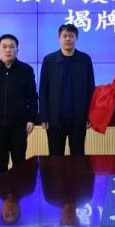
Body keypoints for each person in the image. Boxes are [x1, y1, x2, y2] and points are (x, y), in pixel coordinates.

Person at [0, 34, 38, 177]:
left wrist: (31, 119)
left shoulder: (26, 70)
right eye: (4, 47)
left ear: (17, 50)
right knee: (0, 162)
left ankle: (19, 191)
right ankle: (0, 191)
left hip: (19, 125)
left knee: (19, 162)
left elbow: (32, 96)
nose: (8, 50)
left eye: (12, 47)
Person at [39, 24, 95, 156]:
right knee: (55, 157)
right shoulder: (49, 60)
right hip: (54, 119)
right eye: (64, 36)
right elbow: (43, 89)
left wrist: (90, 115)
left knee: (78, 156)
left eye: (71, 36)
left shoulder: (85, 59)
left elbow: (90, 89)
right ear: (59, 38)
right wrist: (44, 115)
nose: (68, 39)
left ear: (76, 38)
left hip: (78, 118)